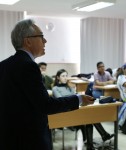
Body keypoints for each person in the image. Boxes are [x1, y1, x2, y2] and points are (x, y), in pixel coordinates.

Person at [0, 19, 94, 150]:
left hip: (9, 136)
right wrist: (78, 99)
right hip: (29, 139)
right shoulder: (29, 66)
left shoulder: (4, 65)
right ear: (28, 41)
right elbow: (46, 105)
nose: (45, 41)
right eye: (41, 36)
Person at [53, 69, 114, 150]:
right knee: (89, 118)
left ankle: (91, 145)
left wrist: (75, 97)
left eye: (66, 76)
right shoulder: (55, 88)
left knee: (89, 118)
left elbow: (75, 96)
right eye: (63, 76)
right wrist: (73, 98)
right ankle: (102, 136)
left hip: (74, 110)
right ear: (58, 77)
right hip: (64, 113)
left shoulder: (69, 87)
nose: (65, 78)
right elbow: (61, 100)